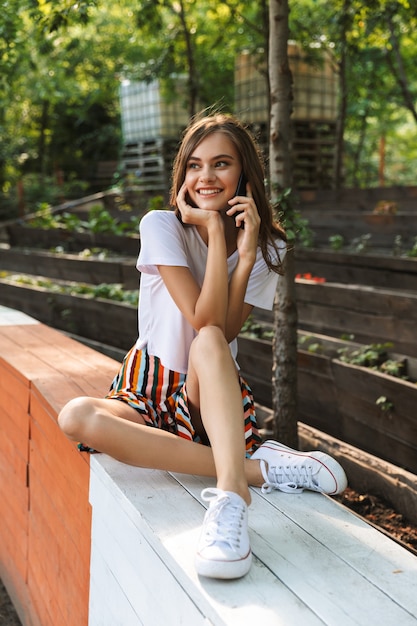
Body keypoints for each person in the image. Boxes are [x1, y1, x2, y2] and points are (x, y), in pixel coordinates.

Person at [58, 112, 347, 580]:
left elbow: (216, 328)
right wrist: (215, 233)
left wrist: (246, 251)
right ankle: (258, 471)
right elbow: (200, 313)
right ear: (182, 175)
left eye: (220, 164)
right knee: (76, 417)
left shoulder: (269, 247)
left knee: (210, 340)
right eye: (194, 165)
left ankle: (231, 500)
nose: (205, 176)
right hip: (145, 385)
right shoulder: (161, 225)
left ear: (244, 175)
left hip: (206, 390)